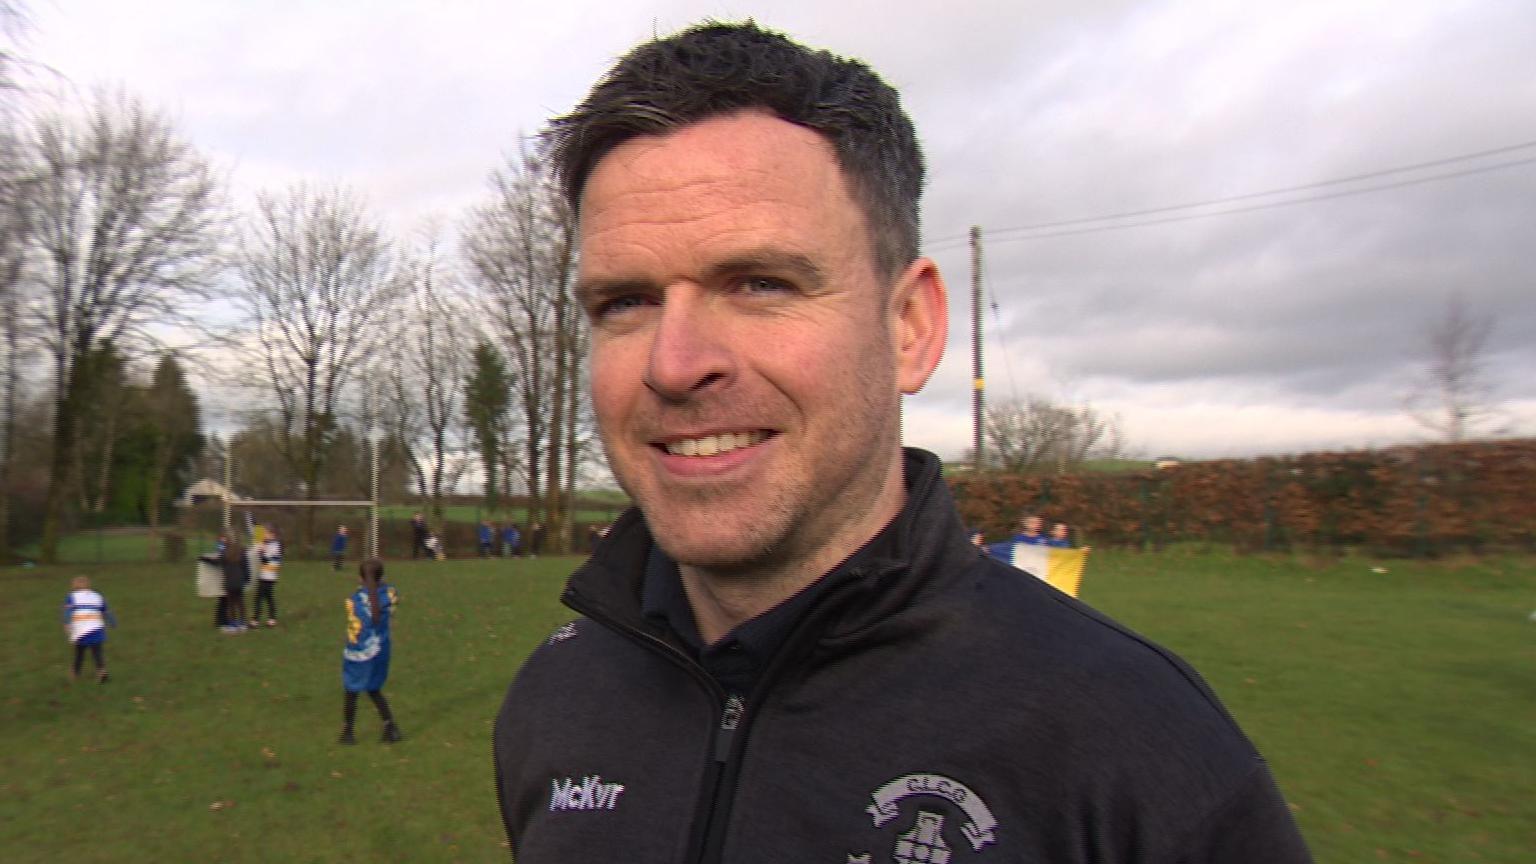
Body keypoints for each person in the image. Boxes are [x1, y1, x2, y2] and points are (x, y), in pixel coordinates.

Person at [493, 21, 1310, 863]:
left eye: (760, 283)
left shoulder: (1135, 746)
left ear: (911, 327)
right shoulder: (555, 701)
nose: (675, 364)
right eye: (625, 302)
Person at [339, 558, 402, 745]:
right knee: (374, 688)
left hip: (358, 653)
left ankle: (348, 732)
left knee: (351, 690)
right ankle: (390, 727)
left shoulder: (354, 601)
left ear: (360, 578)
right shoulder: (391, 595)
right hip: (381, 650)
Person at [63, 576, 116, 683]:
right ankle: (102, 671)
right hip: (96, 627)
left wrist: (67, 623)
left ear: (74, 585)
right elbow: (106, 611)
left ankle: (75, 674)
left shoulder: (72, 596)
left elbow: (68, 611)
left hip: (81, 628)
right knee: (97, 651)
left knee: (79, 652)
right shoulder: (97, 596)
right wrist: (113, 622)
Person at [251, 525, 283, 627]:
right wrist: (259, 544)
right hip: (264, 575)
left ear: (272, 535)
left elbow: (266, 557)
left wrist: (261, 547)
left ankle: (256, 620)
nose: (264, 535)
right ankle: (272, 618)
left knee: (259, 597)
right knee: (268, 597)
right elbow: (257, 552)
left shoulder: (275, 545)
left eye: (266, 533)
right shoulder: (268, 544)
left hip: (269, 576)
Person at [219, 539, 250, 634]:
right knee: (240, 602)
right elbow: (246, 567)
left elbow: (221, 564)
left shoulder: (224, 552)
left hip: (229, 581)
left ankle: (232, 625)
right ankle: (242, 623)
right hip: (239, 581)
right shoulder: (242, 551)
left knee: (231, 603)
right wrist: (247, 579)